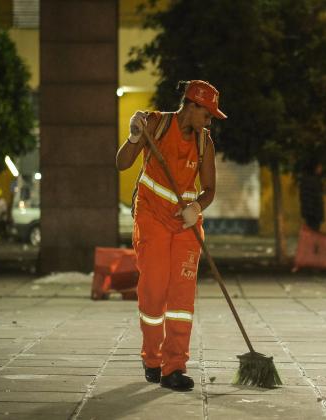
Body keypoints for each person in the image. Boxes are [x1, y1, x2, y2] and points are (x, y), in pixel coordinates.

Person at [115, 79, 224, 391]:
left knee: (181, 298)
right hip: (151, 217)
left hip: (185, 224)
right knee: (153, 290)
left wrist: (197, 206)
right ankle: (152, 357)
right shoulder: (156, 124)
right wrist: (135, 136)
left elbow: (210, 189)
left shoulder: (205, 143)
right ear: (191, 106)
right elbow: (122, 163)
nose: (210, 119)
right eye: (208, 113)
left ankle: (173, 367)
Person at [298, 160, 324, 232]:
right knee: (313, 233)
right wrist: (316, 214)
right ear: (314, 168)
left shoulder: (310, 179)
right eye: (319, 167)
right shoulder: (312, 180)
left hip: (312, 214)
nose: (321, 169)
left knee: (313, 232)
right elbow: (311, 198)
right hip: (313, 214)